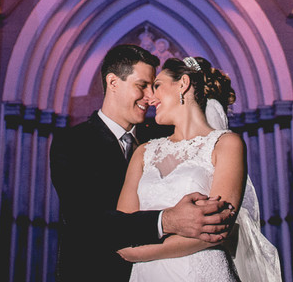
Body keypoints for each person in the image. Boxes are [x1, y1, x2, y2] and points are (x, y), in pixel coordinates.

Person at [50, 44, 237, 282]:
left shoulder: (161, 142)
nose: (151, 97)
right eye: (142, 86)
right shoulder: (73, 143)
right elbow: (87, 221)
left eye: (154, 86)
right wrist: (167, 220)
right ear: (113, 82)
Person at [116, 56, 283, 282]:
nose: (150, 98)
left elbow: (217, 230)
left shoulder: (226, 145)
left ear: (183, 84)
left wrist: (139, 252)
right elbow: (121, 231)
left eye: (157, 86)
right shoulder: (143, 153)